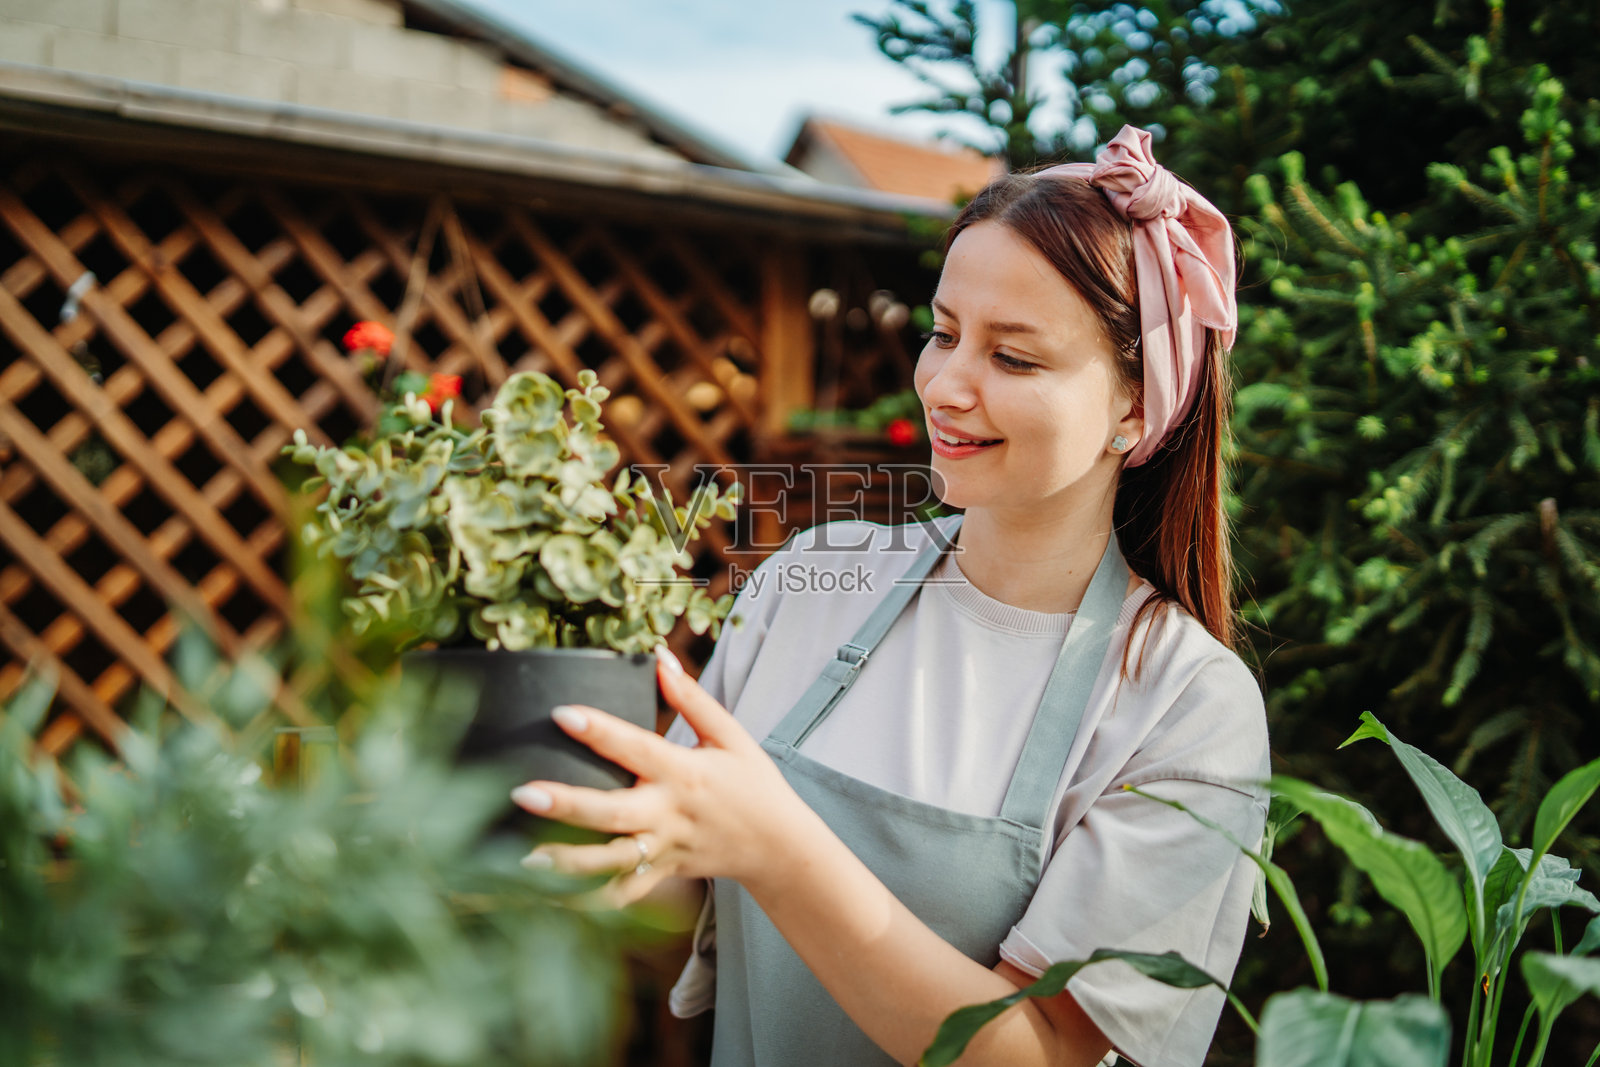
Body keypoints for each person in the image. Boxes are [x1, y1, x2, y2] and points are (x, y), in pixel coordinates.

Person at [511, 124, 1270, 1067]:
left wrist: (779, 848)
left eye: (1014, 358)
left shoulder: (1184, 704)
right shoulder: (809, 581)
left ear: (1134, 404)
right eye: (945, 333)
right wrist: (531, 823)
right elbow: (667, 886)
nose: (946, 385)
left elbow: (1039, 1053)